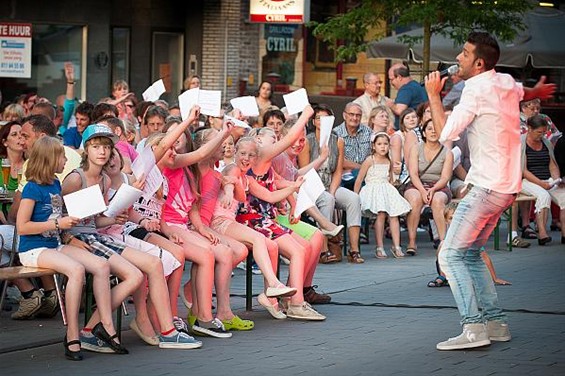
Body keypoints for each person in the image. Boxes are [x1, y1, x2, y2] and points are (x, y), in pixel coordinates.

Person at [425, 31, 555, 350]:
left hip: (487, 187)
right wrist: (536, 90)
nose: (458, 58)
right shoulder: (504, 81)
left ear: (479, 63)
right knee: (469, 255)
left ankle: (473, 329)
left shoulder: (475, 90)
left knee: (450, 255)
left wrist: (433, 95)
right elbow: (522, 91)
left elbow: (444, 134)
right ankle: (495, 324)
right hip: (506, 188)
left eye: (465, 54)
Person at [15, 136, 121, 361]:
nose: (65, 160)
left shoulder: (54, 183)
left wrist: (69, 226)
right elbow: (22, 227)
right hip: (33, 250)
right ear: (49, 158)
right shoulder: (33, 188)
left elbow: (60, 218)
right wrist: (57, 224)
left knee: (102, 266)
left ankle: (105, 326)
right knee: (76, 270)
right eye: (62, 156)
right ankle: (72, 333)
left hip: (55, 244)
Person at [299, 104, 364, 263]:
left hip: (330, 183)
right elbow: (305, 170)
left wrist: (333, 191)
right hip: (312, 186)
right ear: (314, 122)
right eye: (319, 118)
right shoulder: (307, 141)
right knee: (327, 200)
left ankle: (354, 250)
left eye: (326, 118)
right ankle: (323, 249)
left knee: (353, 199)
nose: (322, 121)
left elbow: (338, 171)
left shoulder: (338, 141)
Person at [354, 132, 411, 258]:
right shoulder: (370, 160)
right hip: (373, 188)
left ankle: (396, 246)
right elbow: (359, 179)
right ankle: (379, 246)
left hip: (386, 188)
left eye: (385, 144)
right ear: (373, 146)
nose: (383, 147)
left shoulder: (388, 160)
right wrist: (355, 196)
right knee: (381, 214)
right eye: (379, 144)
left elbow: (390, 178)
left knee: (394, 214)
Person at [428, 202, 511, 288]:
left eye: (457, 218)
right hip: (453, 268)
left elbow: (484, 256)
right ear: (446, 220)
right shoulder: (450, 235)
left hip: (468, 267)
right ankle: (443, 277)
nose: (454, 221)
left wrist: (495, 278)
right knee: (442, 245)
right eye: (451, 218)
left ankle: (464, 278)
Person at [520, 114, 565, 245]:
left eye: (544, 132)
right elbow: (523, 170)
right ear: (529, 128)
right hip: (527, 181)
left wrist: (556, 180)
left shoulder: (545, 142)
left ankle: (564, 235)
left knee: (564, 197)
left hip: (547, 179)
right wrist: (540, 183)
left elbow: (552, 164)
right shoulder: (521, 142)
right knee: (543, 196)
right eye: (539, 132)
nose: (542, 135)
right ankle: (542, 233)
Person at [386, 63, 428, 129]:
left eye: (391, 79)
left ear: (399, 77)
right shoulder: (417, 86)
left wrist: (391, 105)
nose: (391, 83)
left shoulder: (406, 89)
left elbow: (400, 110)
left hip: (408, 130)